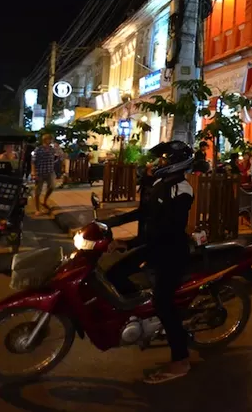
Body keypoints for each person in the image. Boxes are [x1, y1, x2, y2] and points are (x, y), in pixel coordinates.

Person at [103, 141, 196, 384]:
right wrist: (112, 223)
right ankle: (145, 317)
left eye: (164, 160)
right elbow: (144, 213)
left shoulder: (182, 189)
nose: (158, 163)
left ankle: (181, 361)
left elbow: (169, 228)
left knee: (164, 302)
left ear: (177, 163)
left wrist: (132, 243)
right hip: (151, 246)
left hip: (171, 251)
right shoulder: (159, 184)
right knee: (115, 273)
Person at [32, 135, 58, 216]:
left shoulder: (52, 149)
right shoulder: (38, 149)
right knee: (38, 191)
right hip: (40, 172)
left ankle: (45, 201)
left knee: (52, 186)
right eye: (49, 139)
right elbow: (33, 161)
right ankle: (37, 209)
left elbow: (55, 158)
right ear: (45, 140)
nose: (50, 141)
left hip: (50, 171)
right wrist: (33, 172)